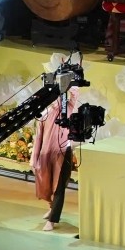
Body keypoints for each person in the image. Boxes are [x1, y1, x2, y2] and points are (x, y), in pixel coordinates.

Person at [32, 86, 79, 232]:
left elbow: (74, 94)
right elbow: (38, 138)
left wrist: (70, 83)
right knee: (46, 184)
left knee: (58, 187)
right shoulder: (45, 113)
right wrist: (34, 158)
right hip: (46, 154)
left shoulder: (68, 108)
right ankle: (52, 207)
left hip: (62, 153)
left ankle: (52, 219)